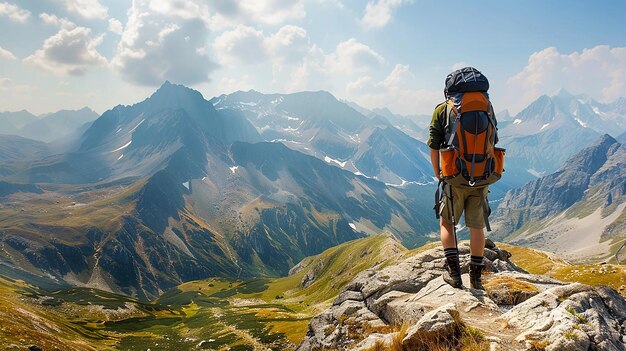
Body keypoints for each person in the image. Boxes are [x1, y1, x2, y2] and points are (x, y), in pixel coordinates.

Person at [427, 67, 498, 290]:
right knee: (477, 227)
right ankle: (476, 278)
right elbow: (493, 139)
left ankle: (454, 275)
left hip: (454, 176)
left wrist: (439, 173)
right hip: (482, 176)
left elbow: (433, 145)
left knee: (447, 222)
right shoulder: (487, 107)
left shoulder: (443, 109)